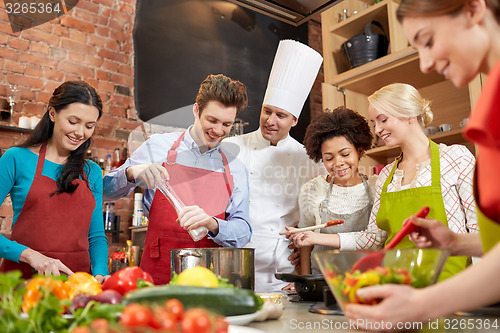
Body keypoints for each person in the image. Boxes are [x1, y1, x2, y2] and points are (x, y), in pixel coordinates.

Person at [344, 0, 500, 328]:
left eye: (427, 40)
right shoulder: (489, 112)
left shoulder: (457, 157)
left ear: (473, 9)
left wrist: (423, 304)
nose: (425, 64)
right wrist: (455, 243)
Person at [290, 83, 478, 282]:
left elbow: (478, 229)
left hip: (451, 283)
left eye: (383, 120)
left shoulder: (456, 158)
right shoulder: (387, 176)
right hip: (398, 284)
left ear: (410, 115)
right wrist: (313, 237)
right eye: (374, 123)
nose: (378, 130)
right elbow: (374, 238)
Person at [103, 74, 251, 285]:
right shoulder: (157, 147)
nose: (218, 131)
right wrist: (131, 172)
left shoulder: (235, 167)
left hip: (208, 280)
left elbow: (244, 230)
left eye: (226, 124)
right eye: (212, 120)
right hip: (157, 275)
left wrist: (213, 224)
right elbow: (104, 190)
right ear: (196, 110)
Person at [222, 39, 325, 292]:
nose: (270, 120)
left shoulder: (309, 158)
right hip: (234, 258)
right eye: (267, 111)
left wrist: (304, 253)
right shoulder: (229, 147)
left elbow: (318, 217)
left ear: (294, 120)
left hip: (283, 264)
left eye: (280, 115)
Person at [0, 81, 110, 282]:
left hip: (76, 286)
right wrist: (29, 255)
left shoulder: (91, 172)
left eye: (89, 126)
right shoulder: (16, 158)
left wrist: (101, 272)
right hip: (23, 283)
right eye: (73, 121)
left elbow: (96, 236)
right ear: (52, 114)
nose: (80, 133)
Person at [286, 106, 376, 275]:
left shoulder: (375, 186)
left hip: (367, 280)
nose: (338, 163)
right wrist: (307, 281)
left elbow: (378, 238)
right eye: (329, 158)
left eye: (345, 154)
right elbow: (306, 244)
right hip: (323, 280)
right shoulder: (312, 190)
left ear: (360, 151)